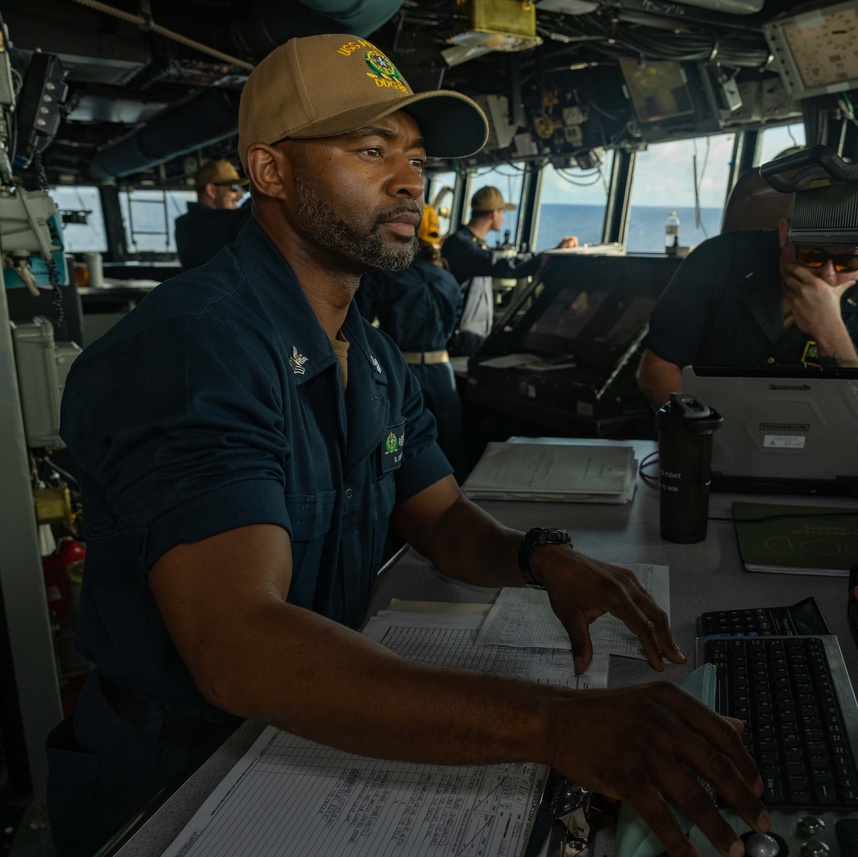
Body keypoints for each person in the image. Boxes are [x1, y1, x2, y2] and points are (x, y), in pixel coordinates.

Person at [46, 33, 768, 857]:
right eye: (369, 150)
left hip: (315, 722)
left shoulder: (372, 353)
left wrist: (541, 558)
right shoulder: (189, 350)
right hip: (183, 774)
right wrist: (552, 723)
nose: (409, 181)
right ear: (270, 172)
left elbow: (442, 518)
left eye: (416, 156)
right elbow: (239, 644)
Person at [636, 219, 858, 408]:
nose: (827, 275)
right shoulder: (718, 260)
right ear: (784, 233)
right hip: (706, 436)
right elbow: (656, 368)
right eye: (812, 254)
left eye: (848, 261)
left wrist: (832, 333)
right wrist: (705, 434)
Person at [356, 204, 469, 481]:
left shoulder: (384, 275)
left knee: (399, 456)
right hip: (443, 375)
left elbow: (359, 324)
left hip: (400, 372)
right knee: (450, 450)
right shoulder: (449, 279)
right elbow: (453, 325)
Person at [441, 186, 579, 354]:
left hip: (472, 334)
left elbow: (478, 301)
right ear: (493, 214)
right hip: (460, 339)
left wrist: (504, 322)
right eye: (502, 212)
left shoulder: (472, 245)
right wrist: (546, 257)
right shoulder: (460, 245)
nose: (504, 217)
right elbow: (501, 265)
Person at [173, 158, 253, 270]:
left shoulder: (186, 223)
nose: (240, 195)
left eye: (241, 189)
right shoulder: (198, 226)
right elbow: (246, 214)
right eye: (234, 188)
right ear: (211, 190)